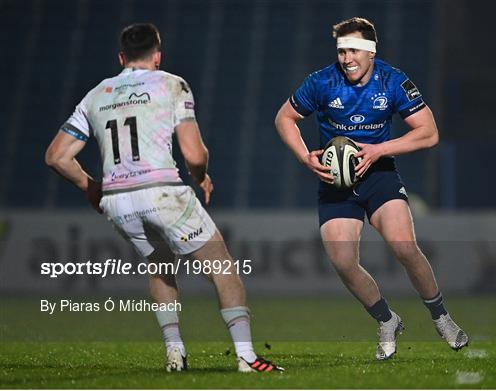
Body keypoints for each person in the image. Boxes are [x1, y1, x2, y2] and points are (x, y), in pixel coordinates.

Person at [45, 23, 282, 373]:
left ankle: (175, 353)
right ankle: (247, 357)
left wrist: (91, 187)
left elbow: (56, 157)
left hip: (118, 200)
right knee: (222, 267)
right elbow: (194, 154)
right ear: (158, 55)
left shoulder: (96, 94)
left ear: (122, 57)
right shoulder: (171, 83)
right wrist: (201, 178)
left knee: (160, 266)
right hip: (162, 192)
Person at [275, 17, 468, 360]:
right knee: (342, 260)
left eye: (352, 50)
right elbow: (284, 118)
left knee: (404, 247)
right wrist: (306, 157)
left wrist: (379, 149)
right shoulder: (321, 81)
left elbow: (429, 132)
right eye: (341, 51)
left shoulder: (393, 81)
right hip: (336, 180)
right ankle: (387, 319)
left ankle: (441, 318)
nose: (346, 58)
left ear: (370, 52)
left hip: (379, 174)